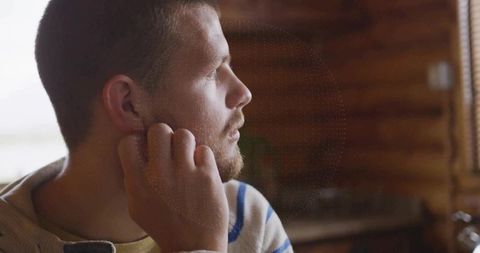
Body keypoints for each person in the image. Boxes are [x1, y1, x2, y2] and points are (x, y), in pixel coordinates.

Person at [0, 0, 293, 252]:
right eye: (215, 71)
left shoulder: (249, 219)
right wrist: (198, 247)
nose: (244, 93)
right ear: (128, 104)